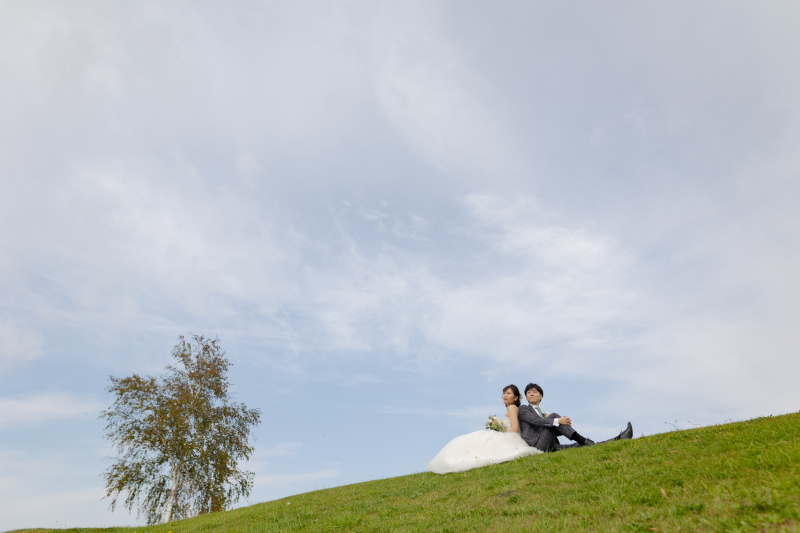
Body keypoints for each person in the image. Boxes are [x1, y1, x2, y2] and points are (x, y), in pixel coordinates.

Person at [427, 385, 543, 474]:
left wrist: (501, 435)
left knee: (479, 439)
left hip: (512, 436)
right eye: (503, 393)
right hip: (508, 435)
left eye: (508, 393)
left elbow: (515, 428)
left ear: (516, 397)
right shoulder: (510, 408)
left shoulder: (512, 407)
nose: (505, 395)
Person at [518, 383, 633, 452]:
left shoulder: (543, 415)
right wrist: (558, 421)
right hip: (535, 446)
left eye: (535, 392)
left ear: (541, 397)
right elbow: (536, 421)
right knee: (553, 416)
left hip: (550, 445)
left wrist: (562, 425)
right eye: (529, 392)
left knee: (578, 446)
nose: (532, 394)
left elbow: (549, 428)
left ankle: (618, 438)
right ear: (527, 398)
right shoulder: (523, 409)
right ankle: (584, 440)